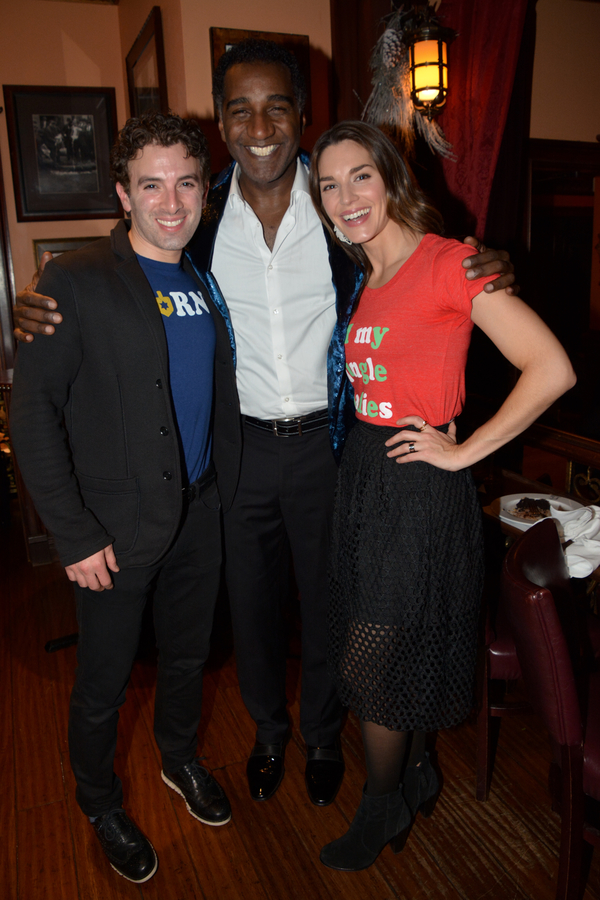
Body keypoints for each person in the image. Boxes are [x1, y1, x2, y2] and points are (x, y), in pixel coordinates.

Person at [12, 39, 517, 810]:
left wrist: (488, 265)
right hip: (237, 447)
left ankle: (320, 735)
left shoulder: (345, 205)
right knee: (247, 608)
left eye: (277, 105)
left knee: (328, 601)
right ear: (221, 120)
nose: (259, 124)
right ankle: (268, 732)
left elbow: (419, 260)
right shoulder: (202, 216)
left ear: (302, 115)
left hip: (329, 443)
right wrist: (39, 301)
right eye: (240, 108)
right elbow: (127, 265)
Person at [307, 120, 576, 871]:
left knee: (372, 658)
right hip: (368, 474)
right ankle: (418, 773)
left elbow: (550, 367)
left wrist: (464, 451)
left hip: (418, 487)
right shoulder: (368, 276)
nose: (345, 195)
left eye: (360, 175)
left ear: (392, 177)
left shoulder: (448, 264)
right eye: (329, 184)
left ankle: (382, 802)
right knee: (393, 644)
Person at [10, 112, 241, 884]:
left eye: (185, 183)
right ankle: (98, 798)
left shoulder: (207, 277)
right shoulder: (75, 279)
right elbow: (32, 411)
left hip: (200, 512)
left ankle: (179, 759)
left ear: (203, 190)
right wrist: (71, 534)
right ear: (123, 193)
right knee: (103, 683)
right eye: (151, 185)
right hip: (111, 529)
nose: (171, 202)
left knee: (186, 659)